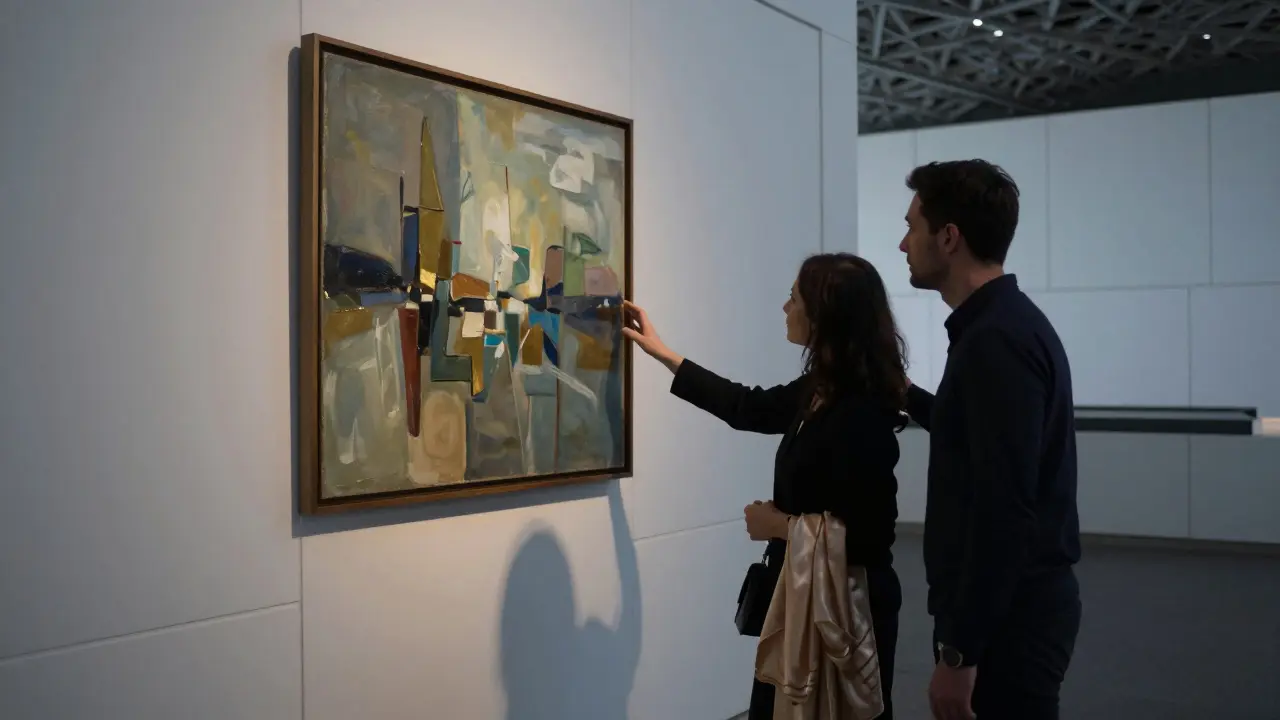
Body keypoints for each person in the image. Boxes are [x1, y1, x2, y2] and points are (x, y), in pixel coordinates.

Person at [623, 253, 909, 720]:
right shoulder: (822, 386)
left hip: (846, 618)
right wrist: (663, 353)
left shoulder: (861, 408)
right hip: (803, 602)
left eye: (793, 298)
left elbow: (872, 536)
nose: (784, 308)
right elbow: (747, 407)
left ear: (824, 314)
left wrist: (782, 525)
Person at [897, 159, 1082, 720]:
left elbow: (1003, 509)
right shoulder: (1000, 327)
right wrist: (904, 393)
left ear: (948, 238)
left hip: (1010, 622)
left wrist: (959, 652)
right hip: (1015, 611)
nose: (903, 243)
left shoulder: (995, 343)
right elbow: (973, 434)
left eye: (912, 226)